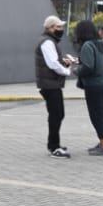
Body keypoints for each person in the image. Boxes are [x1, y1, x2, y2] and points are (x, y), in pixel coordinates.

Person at [34, 15, 76, 158]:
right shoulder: (47, 42)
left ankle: (53, 144)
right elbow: (52, 63)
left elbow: (52, 61)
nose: (61, 29)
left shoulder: (50, 41)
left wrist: (64, 62)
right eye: (58, 27)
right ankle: (54, 147)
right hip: (50, 84)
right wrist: (66, 71)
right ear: (50, 28)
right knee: (56, 114)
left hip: (50, 83)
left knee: (57, 114)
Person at [73, 20, 103, 155]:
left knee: (96, 115)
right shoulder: (99, 44)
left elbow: (88, 67)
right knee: (100, 114)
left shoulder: (86, 46)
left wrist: (76, 70)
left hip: (93, 84)